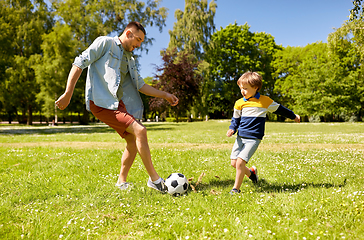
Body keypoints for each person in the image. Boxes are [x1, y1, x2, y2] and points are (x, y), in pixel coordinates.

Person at [55, 22, 179, 193]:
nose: (139, 45)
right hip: (101, 101)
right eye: (138, 40)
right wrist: (68, 93)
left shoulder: (130, 58)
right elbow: (79, 63)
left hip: (116, 103)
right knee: (140, 131)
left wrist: (164, 95)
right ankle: (155, 180)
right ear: (128, 33)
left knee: (132, 140)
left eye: (141, 42)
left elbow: (140, 85)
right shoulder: (105, 43)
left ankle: (121, 181)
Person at [226, 71, 300, 195]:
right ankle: (252, 175)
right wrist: (232, 128)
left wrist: (293, 116)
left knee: (240, 162)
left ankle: (236, 189)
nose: (242, 91)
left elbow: (281, 109)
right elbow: (236, 119)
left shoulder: (265, 101)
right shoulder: (239, 103)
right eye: (241, 88)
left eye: (245, 88)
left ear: (255, 88)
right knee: (234, 163)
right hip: (240, 137)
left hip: (253, 138)